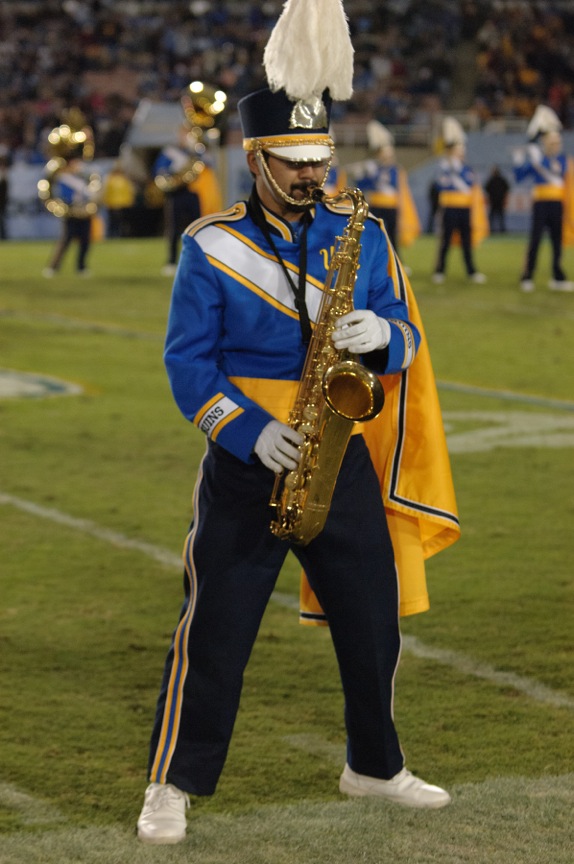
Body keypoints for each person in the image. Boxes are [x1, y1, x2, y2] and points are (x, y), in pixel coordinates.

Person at [136, 0, 459, 846]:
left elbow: (407, 328)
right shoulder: (210, 245)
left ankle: (375, 765)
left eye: (320, 159)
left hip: (337, 455)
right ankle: (172, 782)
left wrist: (386, 336)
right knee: (216, 631)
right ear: (257, 160)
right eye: (295, 162)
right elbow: (186, 363)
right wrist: (244, 431)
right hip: (250, 463)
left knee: (371, 619)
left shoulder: (365, 233)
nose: (314, 174)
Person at [513, 105, 574, 293]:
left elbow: (557, 171)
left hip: (557, 204)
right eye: (552, 142)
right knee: (536, 239)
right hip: (540, 203)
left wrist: (536, 156)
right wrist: (520, 160)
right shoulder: (537, 158)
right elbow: (519, 176)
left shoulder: (560, 160)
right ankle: (527, 275)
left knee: (557, 241)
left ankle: (557, 276)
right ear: (545, 142)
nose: (555, 145)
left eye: (557, 142)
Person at [153, 122, 222, 276]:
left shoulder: (198, 150)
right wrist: (175, 172)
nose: (186, 137)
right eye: (184, 133)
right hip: (175, 193)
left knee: (197, 228)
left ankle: (198, 261)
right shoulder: (170, 151)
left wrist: (197, 150)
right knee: (174, 228)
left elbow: (210, 164)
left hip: (193, 192)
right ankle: (171, 261)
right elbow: (159, 169)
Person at [432, 116, 487, 285]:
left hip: (465, 209)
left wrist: (455, 172)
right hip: (449, 207)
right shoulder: (444, 167)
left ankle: (471, 271)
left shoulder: (466, 168)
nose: (462, 151)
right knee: (445, 241)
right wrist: (449, 170)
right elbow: (441, 185)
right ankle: (439, 270)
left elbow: (470, 183)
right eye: (459, 148)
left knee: (466, 242)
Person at [353, 120, 420, 256]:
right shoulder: (372, 168)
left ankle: (396, 261)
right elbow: (362, 186)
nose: (388, 156)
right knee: (373, 235)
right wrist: (364, 175)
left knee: (393, 237)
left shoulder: (395, 170)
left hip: (391, 207)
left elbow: (396, 187)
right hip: (376, 205)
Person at [41, 156, 101, 277]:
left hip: (84, 213)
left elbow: (92, 193)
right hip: (71, 212)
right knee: (66, 240)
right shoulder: (64, 178)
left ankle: (81, 267)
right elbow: (64, 195)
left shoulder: (85, 177)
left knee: (85, 241)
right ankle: (53, 267)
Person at [101, 160, 136, 238]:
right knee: (118, 223)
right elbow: (130, 192)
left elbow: (106, 193)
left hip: (115, 204)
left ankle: (115, 236)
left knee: (115, 223)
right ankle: (116, 236)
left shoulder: (110, 179)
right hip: (120, 204)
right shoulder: (123, 179)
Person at [484, 165, 510, 233]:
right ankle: (495, 230)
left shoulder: (500, 180)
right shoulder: (492, 180)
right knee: (497, 216)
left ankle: (499, 230)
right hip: (496, 201)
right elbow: (487, 191)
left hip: (497, 201)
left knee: (498, 216)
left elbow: (506, 191)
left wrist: (505, 200)